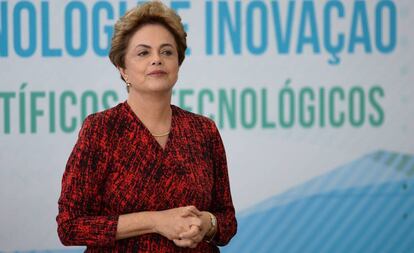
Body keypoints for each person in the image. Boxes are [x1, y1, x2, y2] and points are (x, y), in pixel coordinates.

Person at [56, 1, 237, 252]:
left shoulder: (203, 131)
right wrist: (155, 221)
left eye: (166, 52)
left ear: (178, 63)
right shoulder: (101, 130)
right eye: (143, 53)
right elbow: (70, 226)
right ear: (123, 69)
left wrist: (208, 223)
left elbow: (227, 221)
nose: (157, 60)